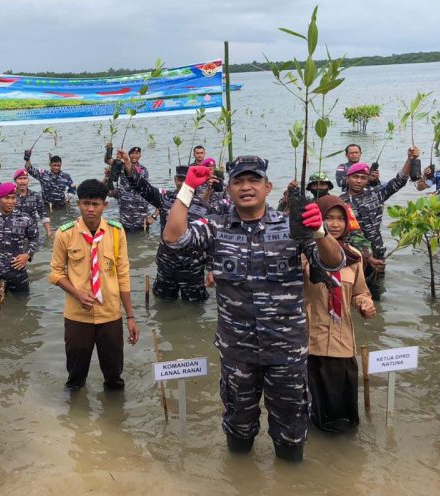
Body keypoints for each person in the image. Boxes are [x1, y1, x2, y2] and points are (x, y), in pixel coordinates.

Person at [162, 156, 344, 461]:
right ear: (229, 189)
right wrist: (188, 189)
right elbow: (173, 237)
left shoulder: (291, 226)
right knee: (238, 426)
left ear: (268, 187)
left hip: (285, 350)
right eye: (238, 181)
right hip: (238, 352)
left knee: (290, 428)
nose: (246, 187)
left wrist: (320, 232)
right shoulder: (216, 226)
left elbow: (334, 262)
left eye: (254, 180)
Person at [50, 179, 138, 390]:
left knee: (114, 375)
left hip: (110, 313)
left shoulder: (117, 232)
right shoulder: (65, 233)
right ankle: (75, 419)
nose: (90, 209)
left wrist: (131, 317)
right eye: (86, 203)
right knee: (75, 377)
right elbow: (55, 273)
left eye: (95, 204)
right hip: (77, 316)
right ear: (78, 203)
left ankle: (115, 417)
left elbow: (123, 274)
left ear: (105, 205)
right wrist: (77, 293)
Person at [303, 195, 376, 432]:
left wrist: (365, 304)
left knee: (343, 417)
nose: (335, 225)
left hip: (342, 343)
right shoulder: (304, 256)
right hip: (310, 343)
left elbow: (360, 293)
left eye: (340, 219)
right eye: (328, 218)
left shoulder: (353, 256)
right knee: (312, 415)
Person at [122, 151, 212, 302]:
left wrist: (211, 268)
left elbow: (211, 241)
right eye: (180, 179)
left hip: (192, 266)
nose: (184, 183)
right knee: (164, 302)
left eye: (187, 179)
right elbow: (143, 187)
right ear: (175, 179)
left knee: (195, 305)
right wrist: (128, 166)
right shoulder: (165, 198)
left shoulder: (205, 207)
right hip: (166, 262)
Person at [340, 151, 416, 300]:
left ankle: (376, 320)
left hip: (378, 252)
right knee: (353, 294)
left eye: (363, 177)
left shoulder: (376, 194)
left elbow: (399, 181)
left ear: (368, 179)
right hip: (355, 256)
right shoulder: (340, 203)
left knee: (376, 293)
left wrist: (410, 159)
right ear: (348, 178)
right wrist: (367, 257)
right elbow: (345, 235)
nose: (359, 181)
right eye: (355, 177)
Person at [105, 146, 151, 232]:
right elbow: (107, 161)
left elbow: (145, 187)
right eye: (132, 153)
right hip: (125, 204)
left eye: (137, 153)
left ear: (140, 155)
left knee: (142, 231)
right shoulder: (121, 165)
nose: (134, 156)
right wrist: (109, 150)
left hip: (140, 207)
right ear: (128, 155)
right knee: (125, 229)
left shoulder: (144, 169)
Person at [12, 168, 52, 237]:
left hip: (33, 233)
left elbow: (43, 215)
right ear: (15, 181)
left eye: (25, 178)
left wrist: (49, 233)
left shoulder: (36, 196)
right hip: (15, 234)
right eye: (20, 179)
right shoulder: (10, 196)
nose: (22, 181)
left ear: (28, 180)